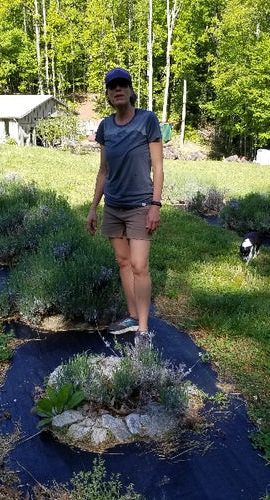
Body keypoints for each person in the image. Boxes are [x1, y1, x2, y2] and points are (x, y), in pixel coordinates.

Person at [86, 67, 164, 345]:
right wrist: (94, 207)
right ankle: (131, 316)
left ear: (131, 91)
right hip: (113, 206)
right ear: (107, 94)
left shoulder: (147, 121)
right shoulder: (105, 127)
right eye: (112, 87)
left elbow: (158, 166)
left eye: (123, 85)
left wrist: (155, 205)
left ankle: (143, 329)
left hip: (140, 204)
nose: (118, 90)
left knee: (139, 265)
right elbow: (103, 171)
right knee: (123, 262)